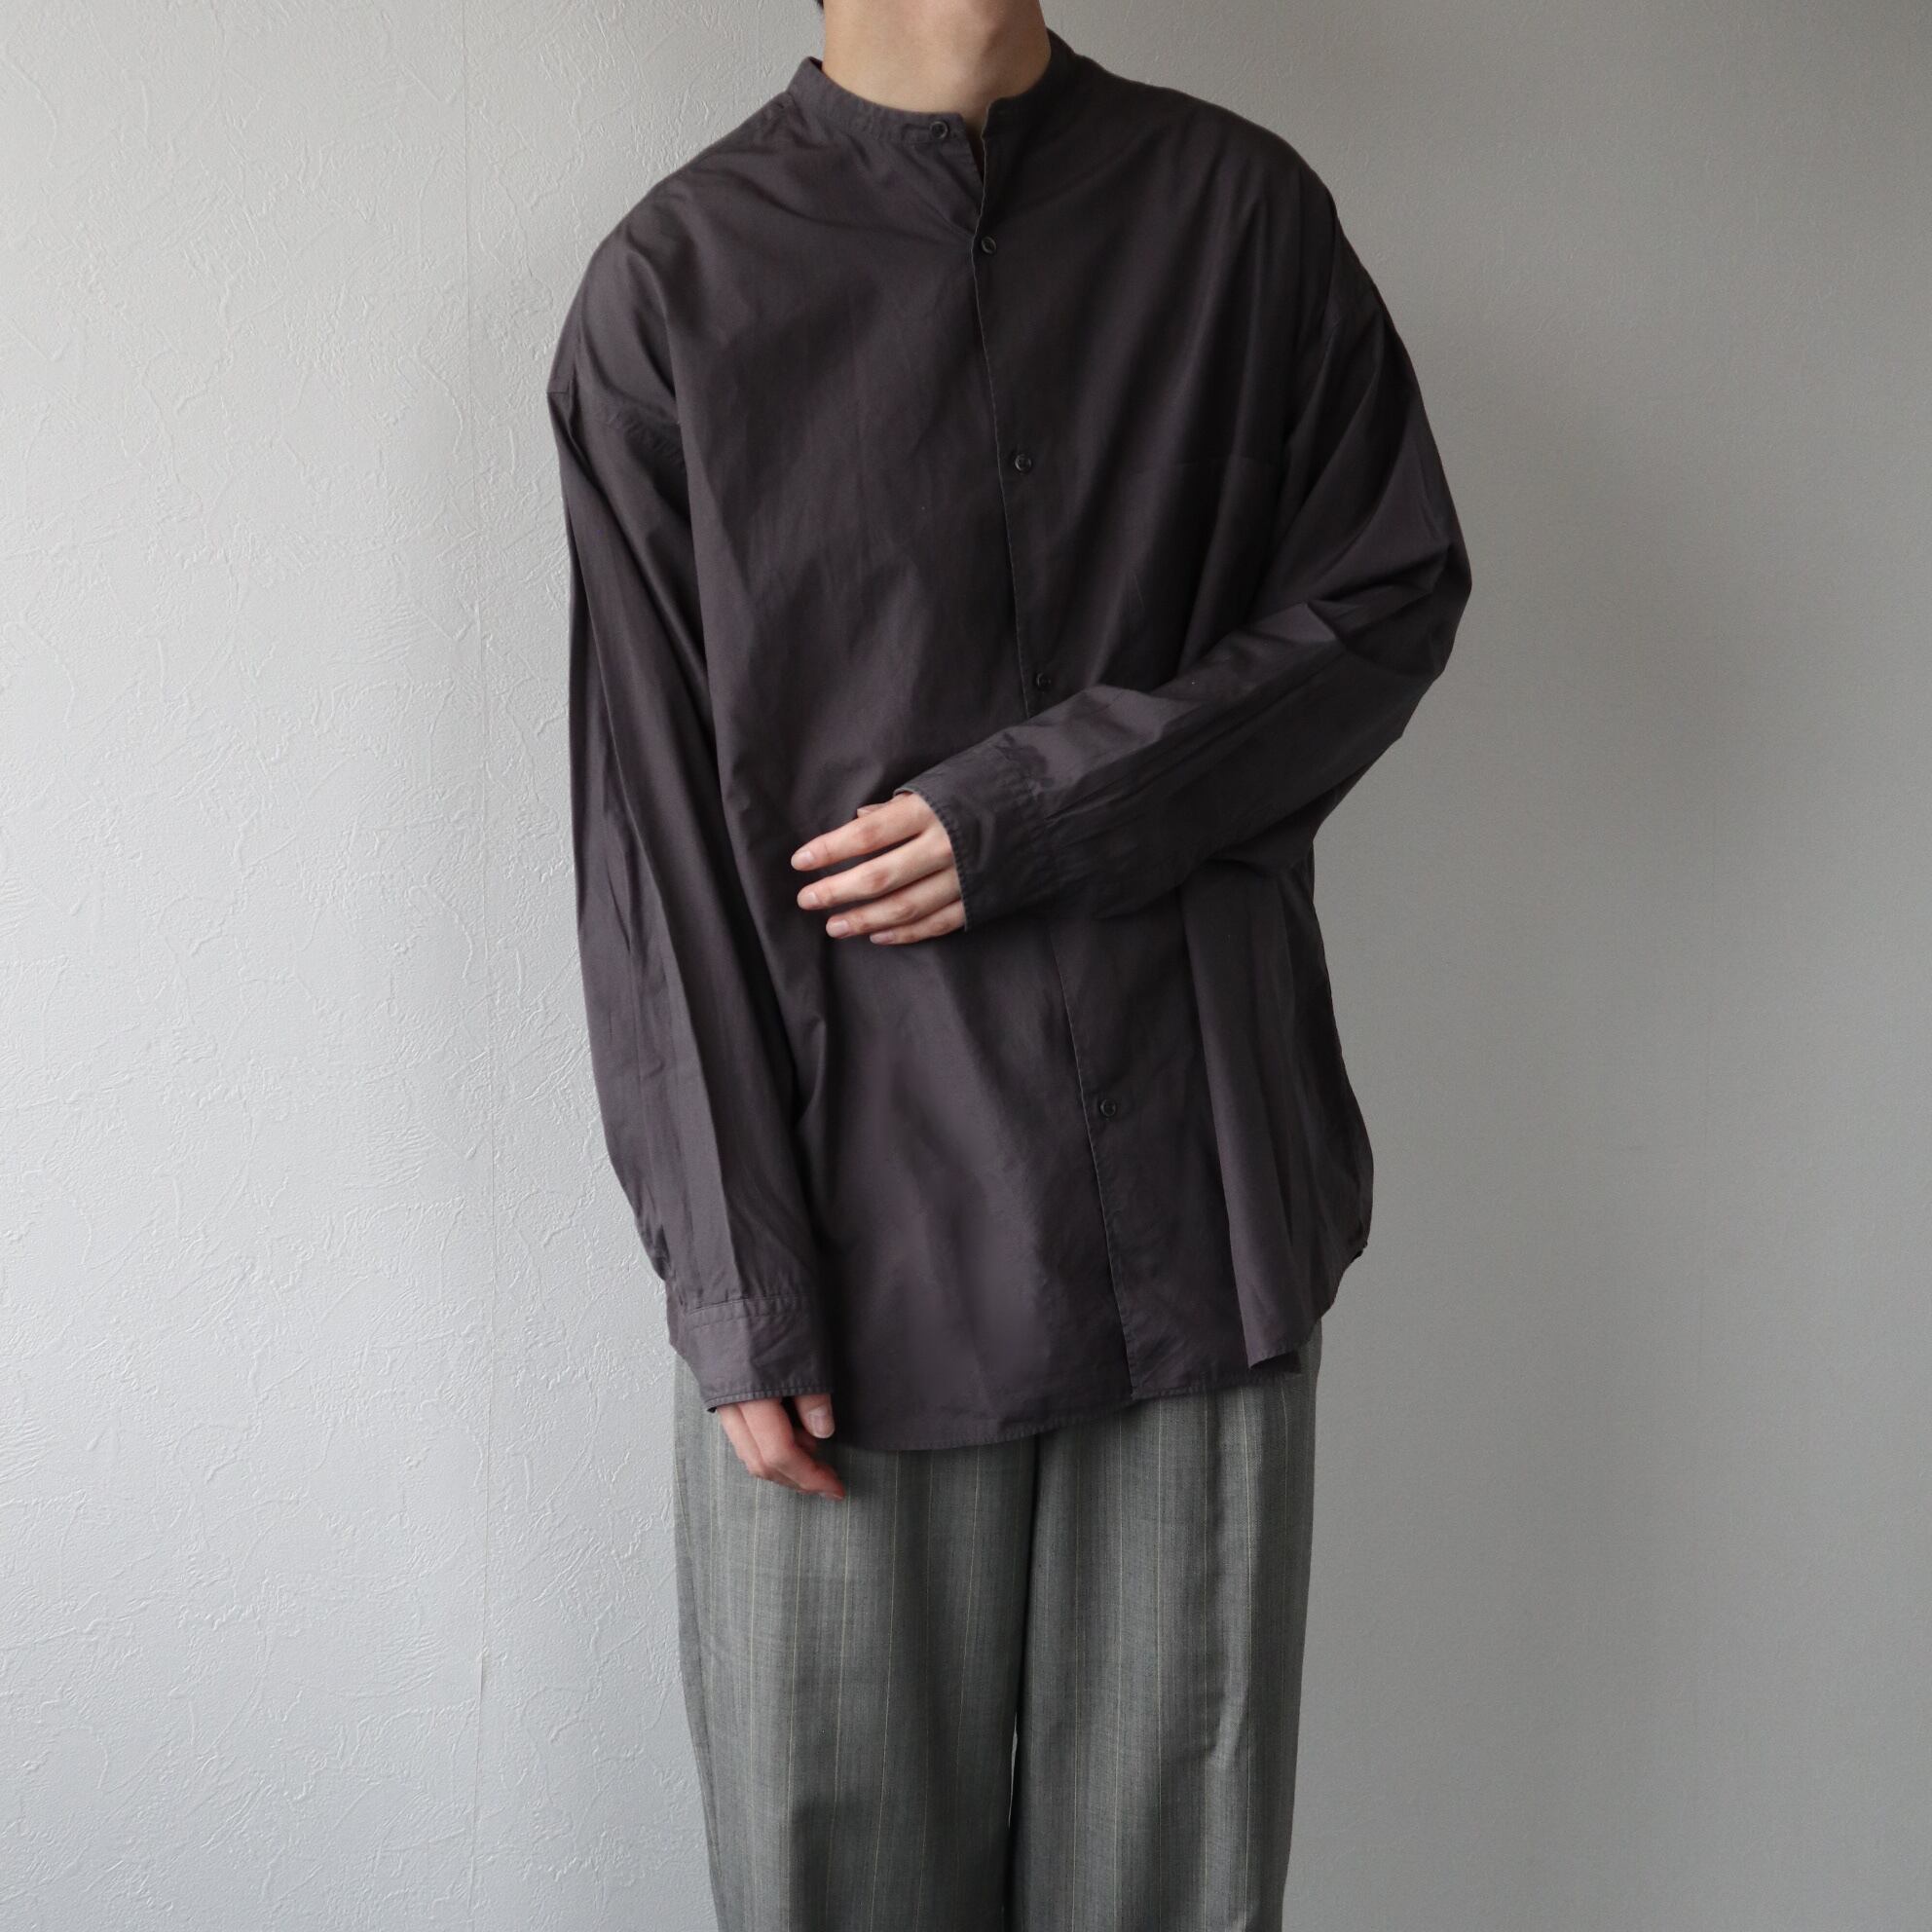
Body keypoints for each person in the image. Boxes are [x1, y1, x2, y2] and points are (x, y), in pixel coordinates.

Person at [545, 0, 1470, 1923]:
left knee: (1174, 1889)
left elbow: (1388, 592)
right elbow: (651, 844)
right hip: (848, 1259)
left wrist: (1049, 807)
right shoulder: (671, 293)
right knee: (836, 1884)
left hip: (1197, 1211)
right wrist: (736, 1291)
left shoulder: (1238, 219)